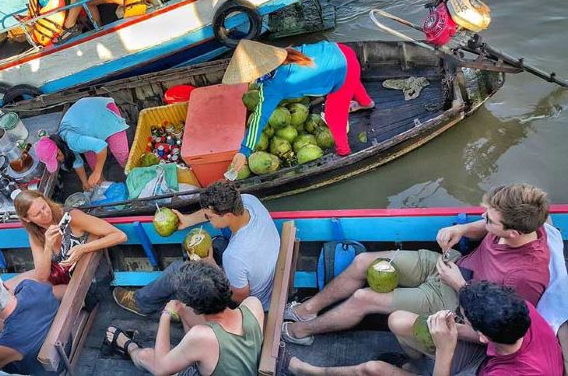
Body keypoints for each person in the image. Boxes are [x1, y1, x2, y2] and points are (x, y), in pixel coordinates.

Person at [282, 184, 551, 346]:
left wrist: (459, 284)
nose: (484, 220)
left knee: (364, 298)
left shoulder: (525, 276)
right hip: (451, 264)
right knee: (364, 261)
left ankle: (299, 331)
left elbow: (503, 330)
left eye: (489, 220)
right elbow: (489, 225)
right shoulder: (517, 223)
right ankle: (306, 310)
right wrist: (462, 228)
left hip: (457, 298)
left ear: (513, 233)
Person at [286, 282, 565, 376]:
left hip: (483, 369)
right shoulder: (521, 309)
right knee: (401, 321)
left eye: (461, 318)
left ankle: (308, 371)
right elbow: (490, 340)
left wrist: (445, 349)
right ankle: (413, 363)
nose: (457, 318)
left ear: (483, 334)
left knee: (373, 369)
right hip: (488, 356)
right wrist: (448, 329)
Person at [113, 180, 280, 315]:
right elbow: (211, 212)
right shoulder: (249, 201)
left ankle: (142, 303)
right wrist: (188, 220)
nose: (208, 219)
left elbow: (240, 298)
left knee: (178, 270)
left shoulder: (235, 255)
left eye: (210, 217)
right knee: (217, 243)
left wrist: (214, 268)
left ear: (228, 215)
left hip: (251, 303)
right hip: (266, 280)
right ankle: (179, 294)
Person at [222, 39, 374, 167]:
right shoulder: (285, 53)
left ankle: (344, 152)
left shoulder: (274, 88)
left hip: (342, 72)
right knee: (352, 80)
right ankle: (367, 104)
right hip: (342, 50)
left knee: (333, 116)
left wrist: (244, 151)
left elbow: (259, 119)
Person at [105, 261, 264, 375]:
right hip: (241, 364)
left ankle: (130, 349)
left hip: (207, 354)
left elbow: (161, 369)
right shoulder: (253, 305)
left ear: (197, 308)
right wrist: (182, 310)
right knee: (183, 313)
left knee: (147, 356)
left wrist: (166, 315)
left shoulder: (202, 335)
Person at [0, 190, 124, 302]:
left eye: (44, 207)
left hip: (90, 279)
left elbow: (120, 236)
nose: (45, 214)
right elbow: (42, 275)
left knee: (35, 293)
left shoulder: (71, 217)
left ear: (46, 201)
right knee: (11, 286)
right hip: (62, 274)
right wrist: (48, 246)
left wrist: (82, 248)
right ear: (27, 219)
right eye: (38, 214)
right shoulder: (36, 233)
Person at [35, 96, 130, 191]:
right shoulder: (63, 144)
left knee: (122, 156)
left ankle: (133, 176)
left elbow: (101, 147)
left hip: (104, 112)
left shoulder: (72, 141)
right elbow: (76, 162)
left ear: (59, 151)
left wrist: (97, 172)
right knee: (93, 163)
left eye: (57, 159)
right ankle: (104, 185)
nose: (59, 161)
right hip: (87, 120)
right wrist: (84, 181)